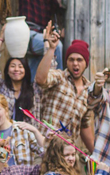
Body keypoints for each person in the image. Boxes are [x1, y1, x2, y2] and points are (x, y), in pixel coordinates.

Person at [35, 24, 95, 153]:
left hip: (68, 154)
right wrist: (51, 49)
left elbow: (84, 125)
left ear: (86, 63)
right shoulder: (59, 77)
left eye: (79, 60)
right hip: (46, 148)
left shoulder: (89, 90)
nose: (75, 63)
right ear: (66, 62)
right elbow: (41, 79)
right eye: (71, 59)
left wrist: (95, 154)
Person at [0, 25, 41, 124]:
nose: (16, 69)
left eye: (20, 66)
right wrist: (1, 39)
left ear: (26, 70)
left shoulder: (34, 90)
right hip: (3, 137)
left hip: (27, 138)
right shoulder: (0, 87)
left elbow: (48, 73)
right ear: (7, 70)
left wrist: (48, 45)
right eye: (13, 66)